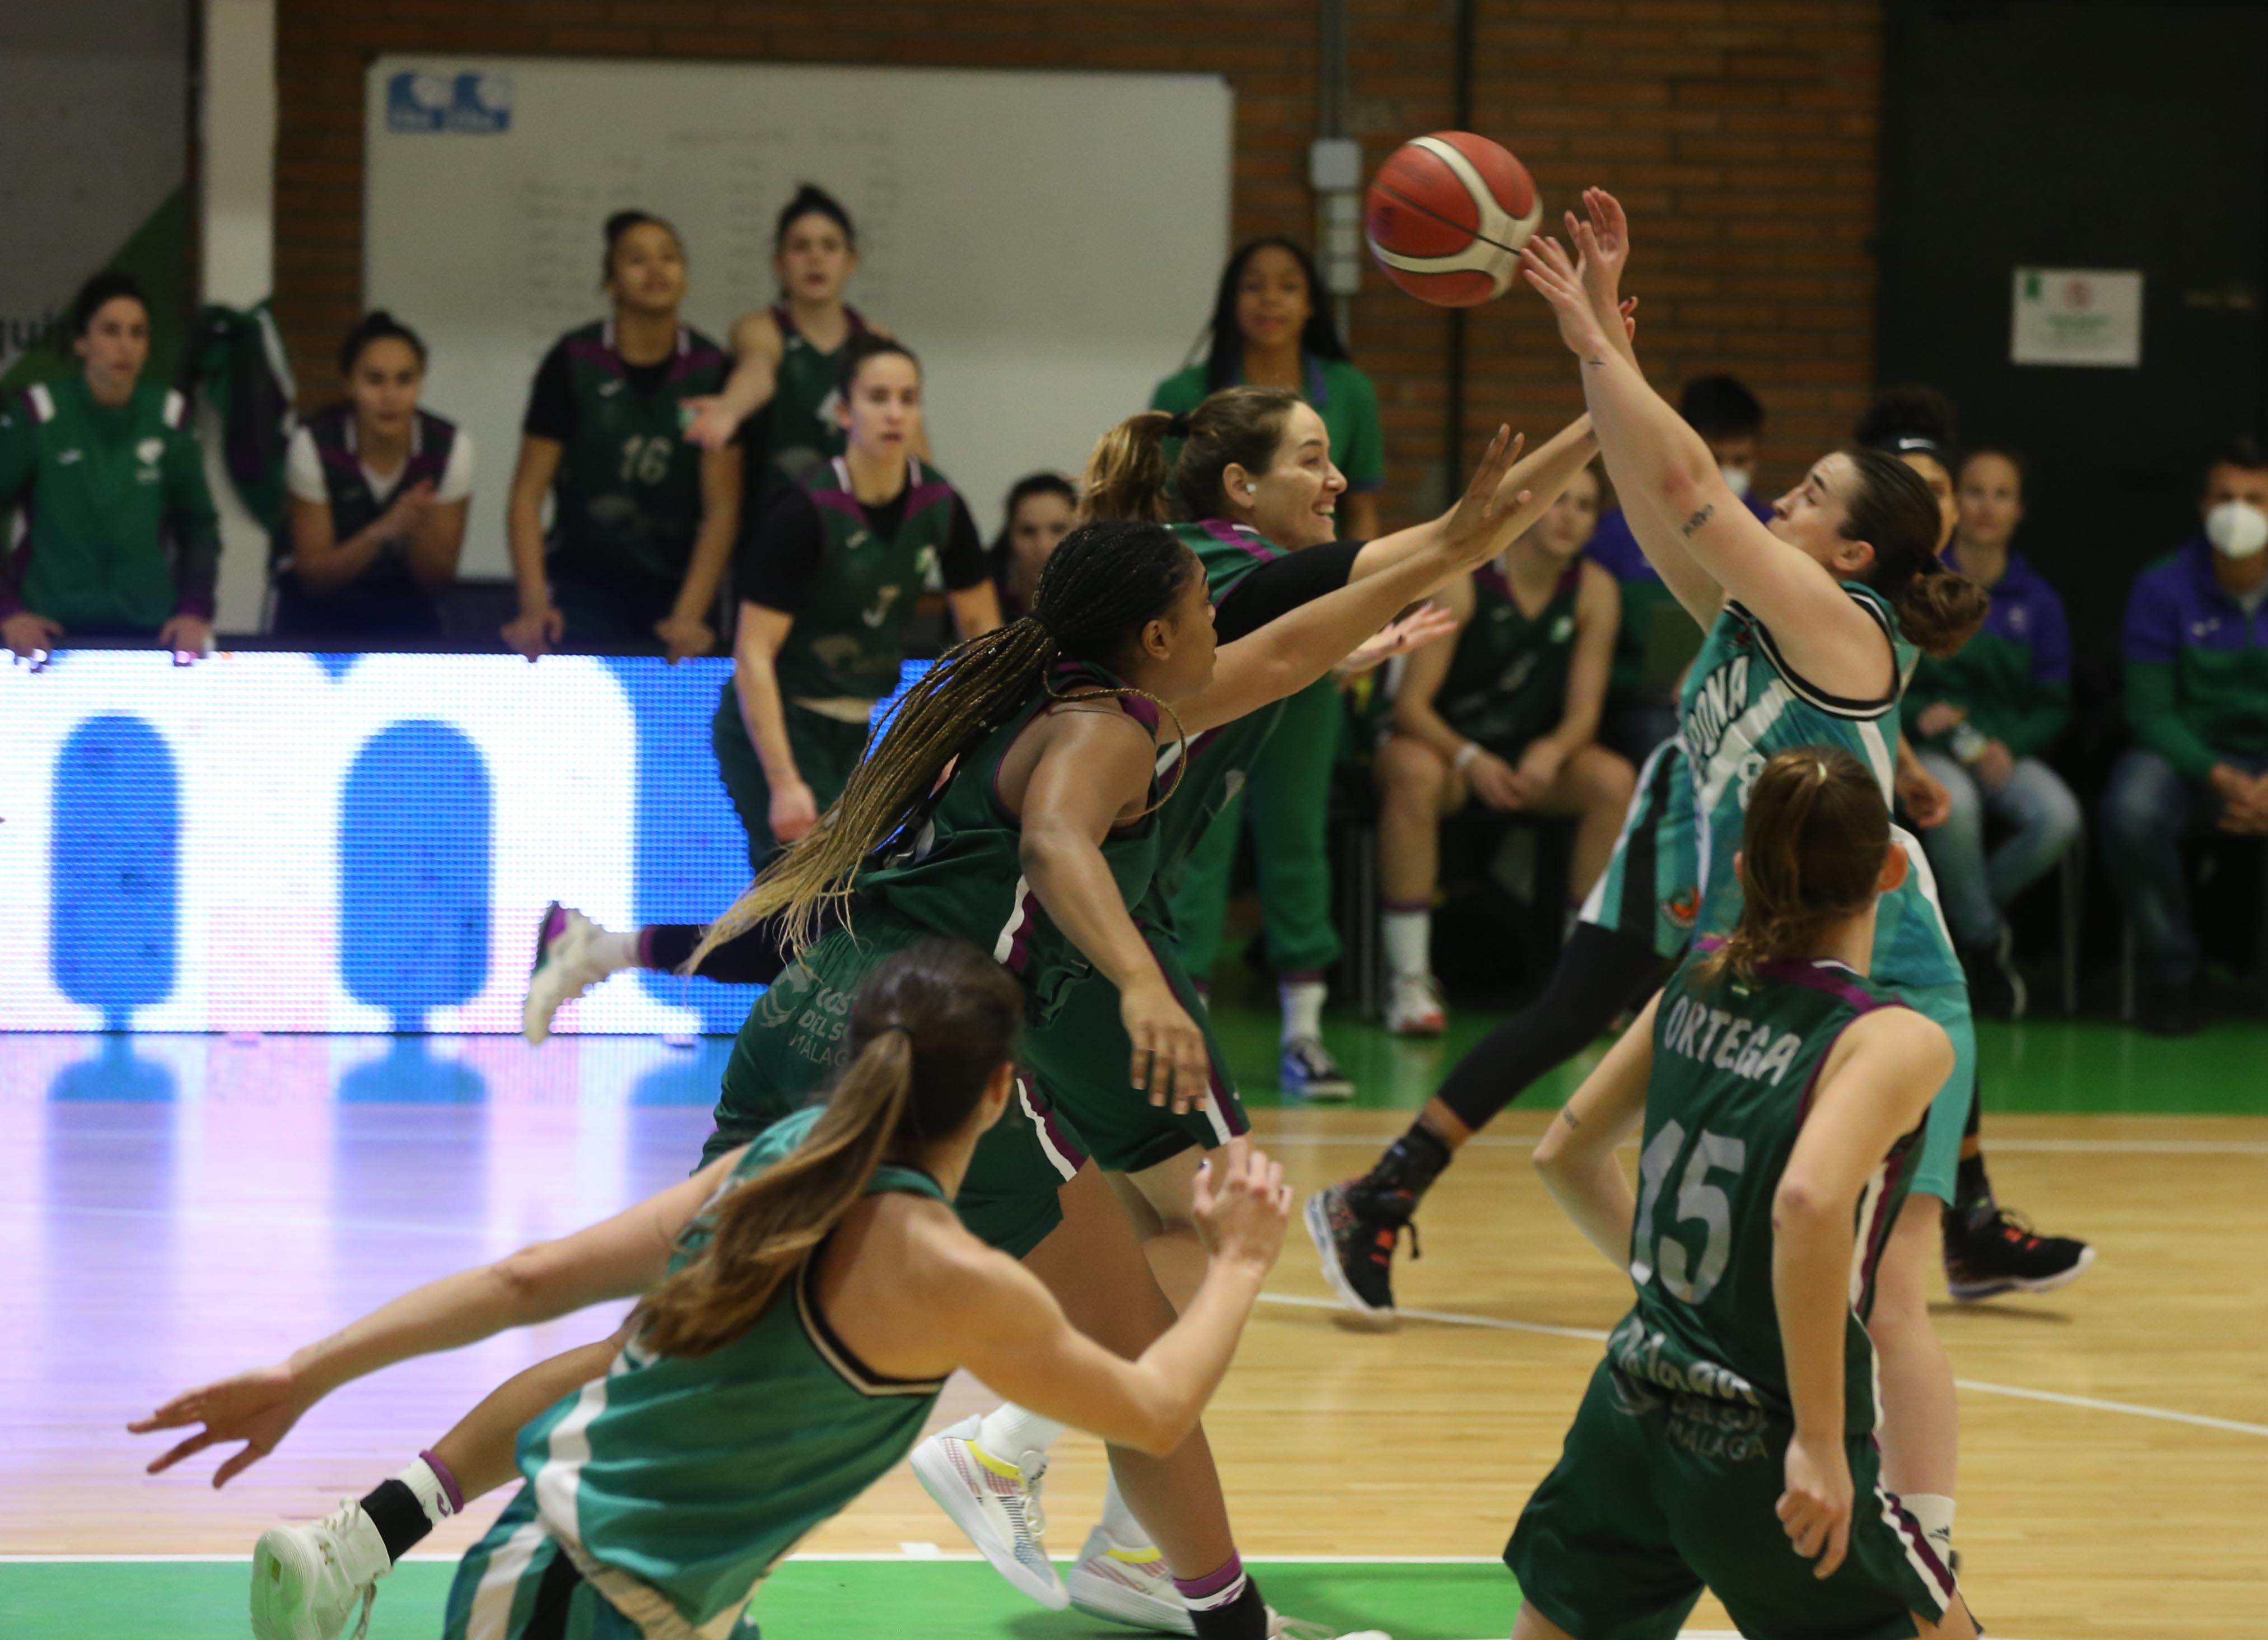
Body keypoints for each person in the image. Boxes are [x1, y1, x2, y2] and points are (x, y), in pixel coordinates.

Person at [903, 394, 1589, 1629]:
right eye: (1314, 460)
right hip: (1084, 958)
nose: (1336, 481)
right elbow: (1457, 538)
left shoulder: (1209, 605)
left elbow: (1297, 640)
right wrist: (1602, 402)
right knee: (1229, 1233)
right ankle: (1016, 1440)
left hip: (1059, 959)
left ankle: (1122, 1539)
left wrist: (1355, 643)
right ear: (1237, 495)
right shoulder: (1225, 574)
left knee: (1156, 1251)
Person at [130, 941, 1303, 1640]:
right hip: (576, 1595)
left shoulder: (786, 1150)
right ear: (1005, 1095)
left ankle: (370, 1532)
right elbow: (1151, 1410)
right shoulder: (953, 1275)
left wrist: (305, 1374)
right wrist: (1240, 1263)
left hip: (629, 1589)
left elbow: (524, 1281)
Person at [1511, 746, 1975, 1640]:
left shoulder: (1694, 978)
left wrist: (1682, 1297)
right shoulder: (1894, 1040)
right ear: (1889, 870)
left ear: (1741, 867)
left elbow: (1561, 1156)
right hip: (1756, 1437)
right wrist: (1816, 1436)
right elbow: (1805, 1202)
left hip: (1627, 1407)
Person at [519, 336, 999, 1040]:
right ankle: (796, 1078)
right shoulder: (804, 511)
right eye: (877, 397)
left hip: (859, 735)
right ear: (843, 410)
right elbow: (753, 652)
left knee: (816, 927)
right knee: (806, 929)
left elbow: (982, 637)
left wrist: (962, 741)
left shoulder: (942, 505)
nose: (894, 412)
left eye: (907, 398)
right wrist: (783, 779)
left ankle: (594, 949)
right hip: (772, 728)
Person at [1148, 240, 1389, 1095]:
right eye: (1254, 284)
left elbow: (1355, 515)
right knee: (1197, 835)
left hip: (1309, 620)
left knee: (1296, 829)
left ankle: (1304, 1032)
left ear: (1312, 301)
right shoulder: (1184, 397)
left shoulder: (1346, 390)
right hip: (1213, 637)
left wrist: (1352, 629)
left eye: (1289, 283)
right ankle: (1188, 1022)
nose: (1271, 299)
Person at [1371, 461, 1636, 1035]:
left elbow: (1585, 713)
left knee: (1612, 781)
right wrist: (1469, 757)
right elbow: (1411, 708)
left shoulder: (1596, 591)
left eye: (1586, 506)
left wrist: (1553, 750)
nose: (1570, 517)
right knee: (1412, 772)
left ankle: (1581, 983)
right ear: (1531, 505)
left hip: (1522, 757)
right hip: (1446, 752)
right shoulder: (1467, 579)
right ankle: (1409, 981)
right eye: (1561, 500)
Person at [502, 211, 739, 661]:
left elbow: (722, 506)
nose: (656, 269)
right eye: (637, 259)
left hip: (677, 583)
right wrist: (534, 605)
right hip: (583, 583)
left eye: (669, 257)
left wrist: (690, 613)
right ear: (610, 282)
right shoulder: (573, 361)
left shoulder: (709, 369)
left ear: (685, 278)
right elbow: (527, 496)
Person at [2100, 435, 2268, 1035]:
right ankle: (2172, 974)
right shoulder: (2162, 586)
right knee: (2132, 809)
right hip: (2191, 762)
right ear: (2203, 507)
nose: (2239, 511)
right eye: (2227, 497)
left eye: (2255, 498)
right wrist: (2226, 780)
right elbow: (2150, 713)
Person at [1907, 448, 2080, 1017]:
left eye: (2001, 494)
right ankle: (1983, 946)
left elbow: (2054, 704)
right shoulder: (1921, 582)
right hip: (1928, 751)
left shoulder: (2040, 601)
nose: (1986, 506)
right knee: (1952, 807)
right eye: (1974, 491)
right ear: (1955, 503)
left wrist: (2010, 742)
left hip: (2002, 753)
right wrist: (1919, 716)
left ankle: (1958, 923)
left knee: (2058, 817)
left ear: (2018, 510)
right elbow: (1886, 678)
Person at [0, 271, 220, 660]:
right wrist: (8, 612)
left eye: (138, 333)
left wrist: (194, 610)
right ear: (82, 342)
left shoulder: (170, 418)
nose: (126, 346)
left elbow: (199, 527)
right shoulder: (38, 415)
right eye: (111, 331)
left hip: (148, 635)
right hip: (50, 637)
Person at [1589, 374, 1770, 763]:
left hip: (1745, 705)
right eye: (1716, 458)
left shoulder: (1772, 532)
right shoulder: (1619, 533)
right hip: (1645, 707)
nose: (1728, 473)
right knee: (1672, 743)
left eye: (1741, 461)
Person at [687, 185, 914, 488]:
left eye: (829, 246)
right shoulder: (760, 329)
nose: (815, 258)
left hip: (854, 522)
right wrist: (730, 408)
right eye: (801, 247)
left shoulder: (876, 340)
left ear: (851, 261)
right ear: (780, 263)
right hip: (777, 522)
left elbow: (912, 444)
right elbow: (757, 372)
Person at [275, 311, 473, 643]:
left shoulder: (452, 447)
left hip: (409, 618)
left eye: (404, 380)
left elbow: (437, 582)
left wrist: (416, 529)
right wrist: (384, 531)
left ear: (421, 382)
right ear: (349, 383)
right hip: (316, 622)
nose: (390, 396)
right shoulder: (313, 444)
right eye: (375, 380)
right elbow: (315, 580)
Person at [989, 470, 1079, 620]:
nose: (1043, 546)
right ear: (1009, 536)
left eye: (1058, 530)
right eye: (1028, 532)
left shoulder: (1103, 593)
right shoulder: (980, 587)